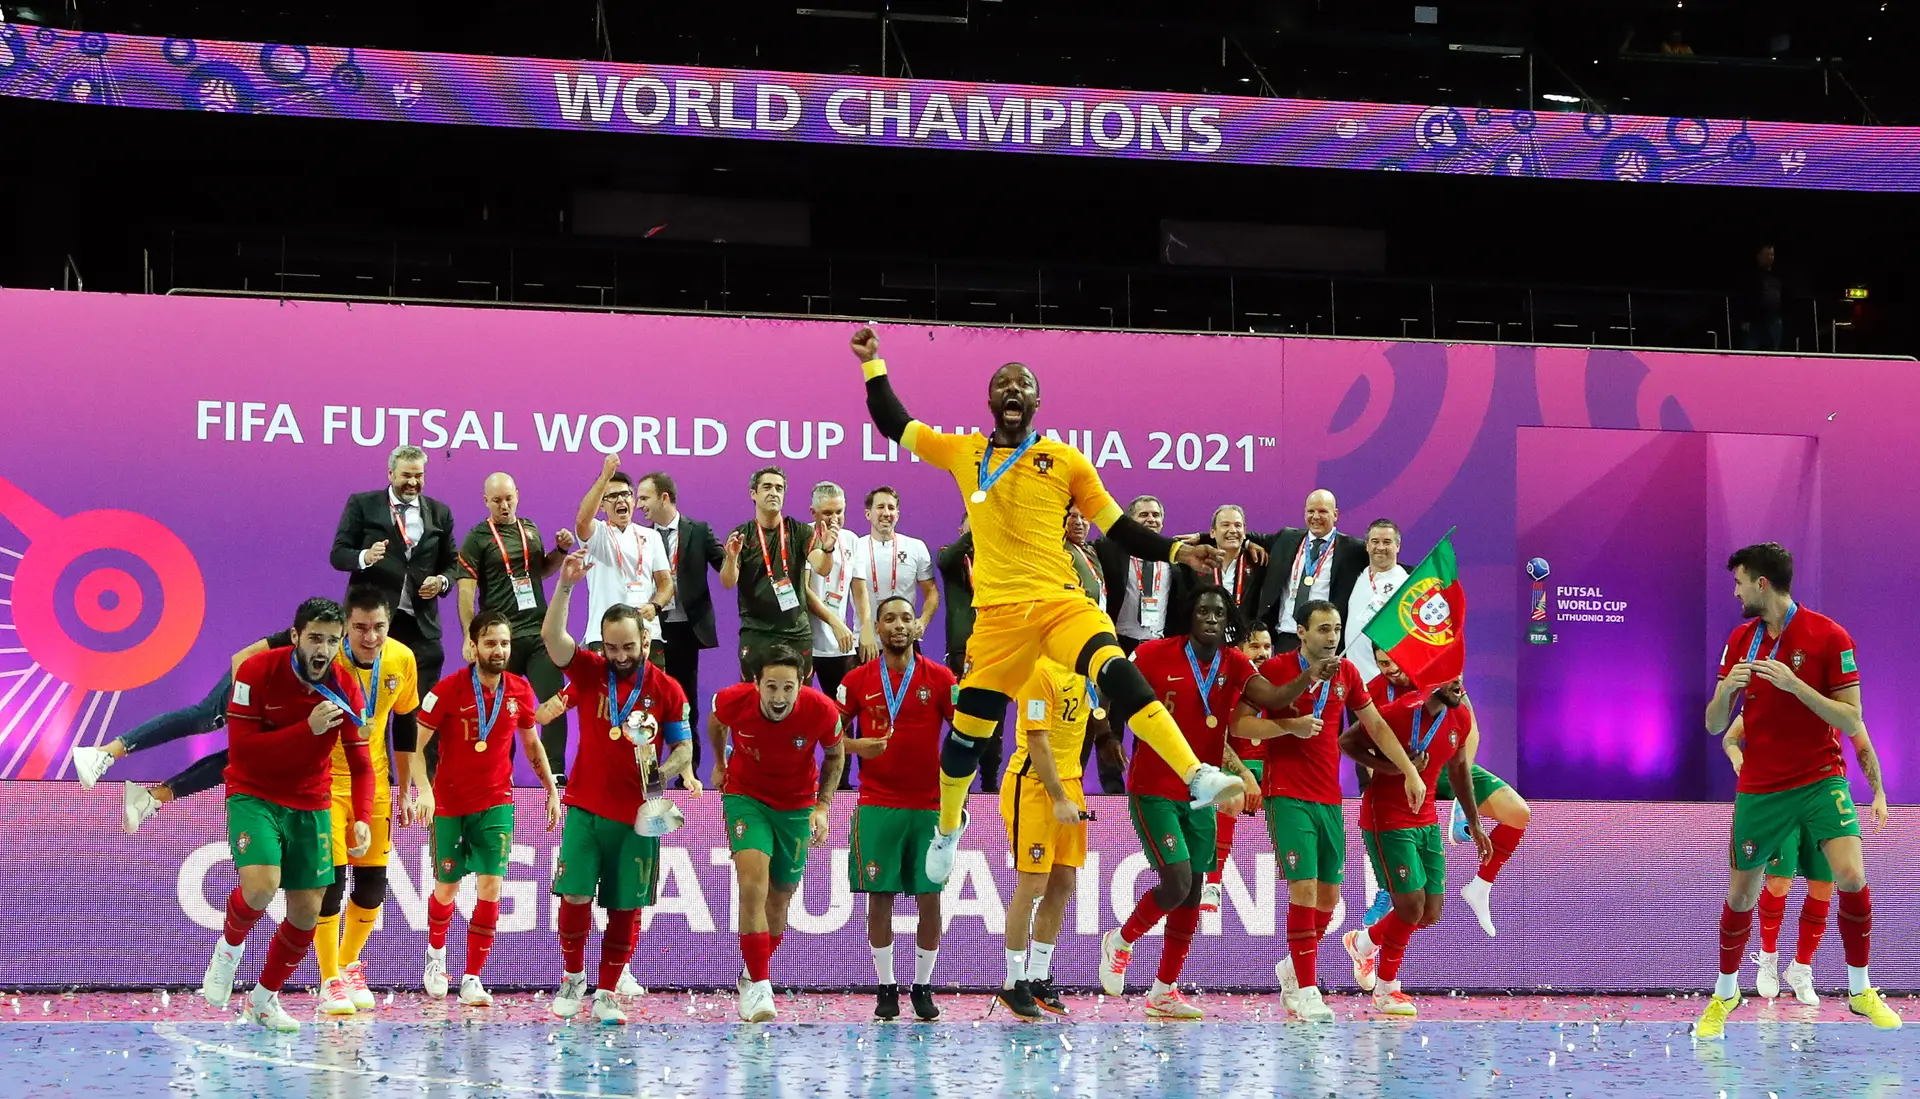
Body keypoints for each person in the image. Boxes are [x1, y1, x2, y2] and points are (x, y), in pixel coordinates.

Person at [850, 325, 1242, 886]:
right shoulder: (965, 452)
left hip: (1060, 604)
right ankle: (947, 827)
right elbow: (896, 424)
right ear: (990, 401)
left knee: (1115, 668)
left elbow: (1120, 528)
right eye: (1003, 384)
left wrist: (1179, 548)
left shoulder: (1066, 461)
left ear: (1036, 401)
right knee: (967, 736)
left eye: (1024, 384)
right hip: (1000, 620)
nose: (1014, 390)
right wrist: (873, 365)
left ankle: (1194, 773)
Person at [1696, 543, 1899, 1037]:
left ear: (1762, 583)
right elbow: (1713, 724)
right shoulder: (1740, 639)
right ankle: (1725, 995)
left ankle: (1860, 990)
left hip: (1820, 779)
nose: (1736, 590)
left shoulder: (1830, 636)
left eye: (1740, 582)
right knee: (1741, 896)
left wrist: (1794, 686)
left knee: (1850, 876)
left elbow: (1851, 718)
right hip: (1761, 788)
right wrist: (1726, 692)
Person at [1097, 587, 1303, 1019]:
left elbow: (1274, 699)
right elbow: (1108, 690)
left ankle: (1163, 993)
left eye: (1219, 611)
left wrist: (1312, 673)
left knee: (1191, 894)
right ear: (1189, 614)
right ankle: (1121, 940)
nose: (1210, 617)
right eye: (1202, 609)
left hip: (1201, 792)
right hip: (1154, 785)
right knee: (1176, 883)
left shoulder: (1235, 662)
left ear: (1228, 619)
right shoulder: (1154, 654)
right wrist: (1107, 734)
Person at [1230, 600, 1425, 1021]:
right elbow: (1239, 725)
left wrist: (1409, 770)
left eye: (1336, 628)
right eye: (1322, 629)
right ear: (1301, 632)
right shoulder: (1277, 670)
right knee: (1303, 891)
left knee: (1329, 900)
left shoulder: (1347, 673)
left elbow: (1375, 725)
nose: (1332, 636)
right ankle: (1307, 988)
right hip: (1286, 794)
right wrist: (1289, 725)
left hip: (1329, 797)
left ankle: (1290, 967)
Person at [199, 598, 374, 1033]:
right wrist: (307, 729)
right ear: (295, 637)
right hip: (253, 793)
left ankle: (262, 999)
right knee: (260, 886)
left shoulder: (345, 688)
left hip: (311, 802)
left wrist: (363, 817)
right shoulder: (257, 672)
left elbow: (363, 763)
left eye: (333, 640)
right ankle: (228, 950)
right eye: (315, 637)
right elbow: (243, 752)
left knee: (306, 912)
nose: (324, 648)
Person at [542, 552, 698, 1024]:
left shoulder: (669, 690)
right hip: (586, 810)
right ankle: (573, 977)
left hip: (637, 817)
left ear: (644, 640)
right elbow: (553, 640)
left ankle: (608, 990)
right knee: (573, 897)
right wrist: (566, 587)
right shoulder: (590, 672)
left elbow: (684, 751)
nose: (621, 655)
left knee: (626, 907)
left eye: (628, 646)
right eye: (612, 647)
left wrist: (664, 773)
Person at [412, 610, 559, 1007]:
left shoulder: (520, 691)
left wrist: (551, 789)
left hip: (496, 801)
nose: (499, 650)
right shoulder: (446, 690)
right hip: (449, 803)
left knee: (491, 886)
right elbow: (415, 747)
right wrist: (422, 789)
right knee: (447, 888)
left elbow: (531, 744)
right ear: (473, 646)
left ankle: (473, 976)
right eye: (491, 642)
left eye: (505, 643)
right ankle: (436, 956)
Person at [1337, 678, 1491, 1018]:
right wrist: (1392, 767)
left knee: (1430, 912)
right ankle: (1386, 989)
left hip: (1427, 820)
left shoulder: (1460, 716)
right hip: (1387, 818)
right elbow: (1347, 742)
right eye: (1451, 678)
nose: (1460, 685)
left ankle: (1363, 943)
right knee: (1409, 907)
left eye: (1462, 676)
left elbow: (1460, 767)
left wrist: (1475, 822)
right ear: (1431, 679)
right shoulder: (1397, 712)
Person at [709, 644, 846, 1023]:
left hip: (797, 805)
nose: (779, 697)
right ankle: (761, 989)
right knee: (753, 884)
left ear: (802, 683)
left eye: (788, 688)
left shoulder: (821, 710)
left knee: (779, 903)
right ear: (755, 683)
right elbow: (715, 722)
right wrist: (720, 764)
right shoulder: (733, 701)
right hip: (746, 798)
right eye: (771, 687)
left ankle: (752, 975)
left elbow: (836, 756)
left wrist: (823, 806)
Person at [837, 597, 956, 1022]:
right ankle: (886, 988)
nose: (899, 625)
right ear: (877, 627)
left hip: (929, 807)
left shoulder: (941, 679)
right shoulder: (855, 680)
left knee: (930, 899)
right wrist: (855, 746)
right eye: (889, 618)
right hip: (876, 803)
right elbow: (828, 735)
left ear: (917, 627)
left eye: (907, 618)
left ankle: (922, 987)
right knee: (879, 898)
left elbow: (967, 734)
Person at [313, 587, 422, 1016]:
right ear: (345, 626)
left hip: (372, 783)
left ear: (389, 625)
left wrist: (407, 788)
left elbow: (406, 723)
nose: (370, 636)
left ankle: (348, 961)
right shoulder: (325, 660)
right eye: (359, 627)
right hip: (324, 782)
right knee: (331, 885)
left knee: (373, 885)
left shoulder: (402, 659)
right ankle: (328, 980)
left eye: (378, 627)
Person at [78, 622, 296, 834]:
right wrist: (244, 701)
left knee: (244, 759)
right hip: (256, 677)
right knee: (208, 716)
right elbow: (242, 657)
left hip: (285, 702)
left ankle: (149, 798)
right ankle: (103, 753)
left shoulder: (328, 675)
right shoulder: (310, 633)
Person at [457, 472, 573, 780]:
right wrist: (471, 637)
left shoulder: (531, 529)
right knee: (499, 710)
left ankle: (556, 773)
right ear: (486, 502)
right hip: (499, 639)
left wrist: (560, 552)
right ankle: (498, 773)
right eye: (497, 501)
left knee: (554, 699)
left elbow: (541, 571)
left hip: (538, 633)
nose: (504, 506)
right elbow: (466, 590)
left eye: (509, 498)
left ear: (517, 495)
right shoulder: (477, 538)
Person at [997, 658, 1091, 1020]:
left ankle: (1037, 976)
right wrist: (1058, 797)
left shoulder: (1085, 671)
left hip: (1071, 782)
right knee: (1032, 884)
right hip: (1034, 787)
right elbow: (1037, 739)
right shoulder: (1039, 672)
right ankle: (1013, 980)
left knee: (1063, 880)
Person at [329, 444, 460, 697]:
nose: (412, 482)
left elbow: (453, 563)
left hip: (421, 624)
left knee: (417, 709)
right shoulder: (363, 504)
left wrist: (442, 581)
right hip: (373, 623)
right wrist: (365, 556)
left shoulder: (440, 512)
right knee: (370, 702)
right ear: (390, 474)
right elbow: (338, 554)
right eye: (406, 476)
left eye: (418, 476)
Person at [1724, 714, 1829, 1006]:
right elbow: (1730, 738)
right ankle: (1768, 956)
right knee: (1779, 883)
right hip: (1780, 800)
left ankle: (1801, 968)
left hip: (1821, 801)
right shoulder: (1768, 698)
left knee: (1823, 887)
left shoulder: (1829, 697)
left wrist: (1878, 792)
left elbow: (1855, 732)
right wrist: (1737, 758)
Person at [635, 471, 728, 777]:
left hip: (687, 630)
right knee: (647, 702)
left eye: (644, 498)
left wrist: (736, 557)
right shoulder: (642, 536)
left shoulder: (698, 531)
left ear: (664, 497)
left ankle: (689, 772)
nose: (639, 505)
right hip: (652, 630)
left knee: (686, 703)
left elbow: (724, 567)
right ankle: (647, 769)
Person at [1201, 622, 1276, 915]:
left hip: (1273, 769)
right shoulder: (1225, 686)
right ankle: (1213, 884)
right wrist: (1245, 774)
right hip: (1234, 768)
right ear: (1239, 652)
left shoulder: (1283, 684)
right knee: (1231, 795)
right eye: (1254, 646)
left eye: (1267, 647)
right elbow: (1215, 738)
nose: (1262, 653)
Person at [723, 467, 822, 681]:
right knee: (753, 697)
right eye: (767, 487)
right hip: (757, 632)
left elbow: (822, 567)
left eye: (779, 488)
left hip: (796, 632)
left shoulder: (800, 531)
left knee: (799, 699)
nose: (773, 493)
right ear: (753, 493)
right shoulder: (742, 534)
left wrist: (829, 549)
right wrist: (731, 558)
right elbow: (728, 582)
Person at [573, 454, 675, 662]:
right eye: (613, 496)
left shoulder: (651, 536)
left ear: (633, 499)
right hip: (603, 636)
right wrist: (604, 477)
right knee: (606, 695)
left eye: (626, 494)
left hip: (646, 635)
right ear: (602, 505)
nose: (621, 500)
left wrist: (655, 606)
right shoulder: (596, 534)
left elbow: (666, 584)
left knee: (652, 694)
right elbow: (582, 519)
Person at [1244, 490, 1368, 654]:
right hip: (1286, 637)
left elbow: (1384, 558)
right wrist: (1248, 545)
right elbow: (1237, 536)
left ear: (1335, 514)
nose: (1315, 517)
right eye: (1311, 511)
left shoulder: (1353, 549)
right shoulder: (1286, 538)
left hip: (1325, 641)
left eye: (1323, 511)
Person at [935, 521, 1004, 789]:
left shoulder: (999, 559)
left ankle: (989, 786)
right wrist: (979, 524)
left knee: (993, 722)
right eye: (970, 525)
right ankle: (955, 784)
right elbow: (947, 560)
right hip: (962, 654)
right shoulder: (953, 558)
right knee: (960, 722)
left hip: (995, 650)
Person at [853, 486, 938, 659]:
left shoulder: (916, 547)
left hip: (905, 642)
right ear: (868, 514)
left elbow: (932, 592)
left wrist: (923, 621)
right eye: (880, 507)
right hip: (867, 643)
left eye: (891, 508)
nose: (886, 513)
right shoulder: (855, 547)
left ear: (897, 515)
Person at [806, 481, 869, 705]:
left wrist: (867, 629)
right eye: (827, 513)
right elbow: (804, 592)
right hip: (806, 641)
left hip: (840, 644)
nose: (834, 519)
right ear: (813, 513)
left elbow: (859, 590)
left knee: (843, 712)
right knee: (804, 711)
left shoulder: (851, 539)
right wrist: (834, 622)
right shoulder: (804, 536)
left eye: (839, 511)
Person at [1170, 504, 1264, 647]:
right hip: (1204, 643)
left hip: (1244, 644)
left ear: (1245, 532)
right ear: (1212, 533)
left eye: (1238, 526)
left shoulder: (1258, 563)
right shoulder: (1195, 563)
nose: (1232, 530)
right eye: (1225, 525)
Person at [1094, 496, 1173, 655]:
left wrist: (1202, 537)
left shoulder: (1175, 557)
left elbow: (1224, 542)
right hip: (1120, 643)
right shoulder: (1108, 551)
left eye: (1156, 515)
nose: (1151, 520)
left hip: (1161, 646)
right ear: (1130, 524)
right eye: (1144, 515)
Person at [1342, 519, 1408, 683]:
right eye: (1375, 541)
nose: (1380, 547)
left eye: (1387, 542)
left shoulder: (1406, 585)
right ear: (1367, 545)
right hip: (1355, 681)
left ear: (1398, 546)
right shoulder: (1358, 577)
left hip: (1387, 680)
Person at [1737, 244, 1785, 352]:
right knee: (1748, 351)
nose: (1770, 257)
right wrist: (1745, 319)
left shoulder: (1778, 275)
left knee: (1774, 352)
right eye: (1767, 255)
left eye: (1772, 255)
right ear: (1759, 256)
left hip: (1773, 320)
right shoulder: (1751, 276)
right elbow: (1746, 298)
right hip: (1755, 321)